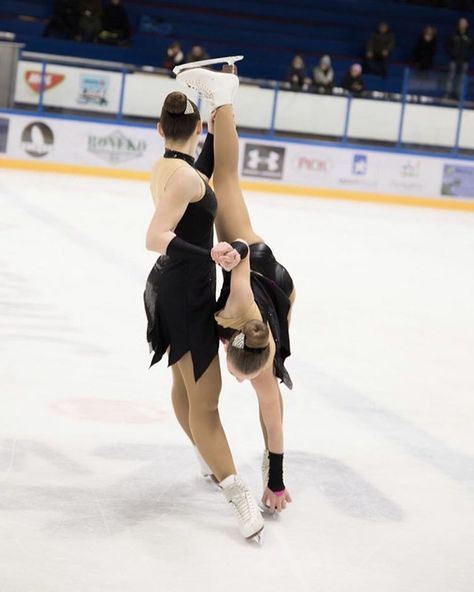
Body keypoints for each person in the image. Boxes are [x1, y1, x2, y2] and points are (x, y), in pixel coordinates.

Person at [143, 85, 264, 541]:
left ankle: (203, 455)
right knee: (207, 399)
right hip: (185, 290)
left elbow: (206, 164)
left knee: (183, 380)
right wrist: (208, 254)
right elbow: (155, 235)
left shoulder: (172, 168)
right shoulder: (187, 179)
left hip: (173, 287)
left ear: (160, 130)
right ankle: (236, 492)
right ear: (194, 128)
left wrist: (216, 101)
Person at [177, 65, 294, 514]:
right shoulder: (240, 306)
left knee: (273, 395)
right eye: (240, 373)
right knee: (224, 180)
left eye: (242, 375)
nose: (239, 379)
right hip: (261, 267)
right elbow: (243, 258)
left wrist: (277, 481)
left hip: (274, 307)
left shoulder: (259, 361)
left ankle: (220, 101)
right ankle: (223, 98)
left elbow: (271, 409)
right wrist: (236, 248)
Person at [445, 17, 473, 99]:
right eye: (461, 22)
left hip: (464, 61)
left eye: (464, 23)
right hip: (453, 59)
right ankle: (447, 93)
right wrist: (452, 54)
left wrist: (468, 56)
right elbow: (447, 45)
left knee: (462, 78)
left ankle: (458, 95)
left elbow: (472, 48)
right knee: (451, 76)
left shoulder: (470, 36)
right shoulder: (453, 34)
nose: (462, 24)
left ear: (467, 24)